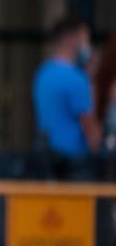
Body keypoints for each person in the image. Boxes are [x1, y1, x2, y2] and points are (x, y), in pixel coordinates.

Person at [32, 15, 101, 181]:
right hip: (75, 166)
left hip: (46, 160)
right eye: (84, 39)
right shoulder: (76, 79)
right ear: (72, 39)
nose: (87, 45)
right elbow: (90, 127)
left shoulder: (42, 73)